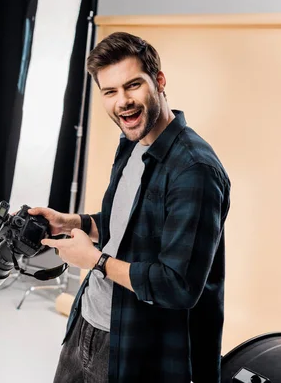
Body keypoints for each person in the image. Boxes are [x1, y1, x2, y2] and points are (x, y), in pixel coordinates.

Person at [30, 32, 231, 383]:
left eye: (132, 86)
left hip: (138, 345)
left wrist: (93, 260)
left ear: (159, 82)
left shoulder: (194, 170)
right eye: (110, 92)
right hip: (87, 322)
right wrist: (71, 221)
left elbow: (178, 286)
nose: (122, 102)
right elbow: (127, 227)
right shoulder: (132, 142)